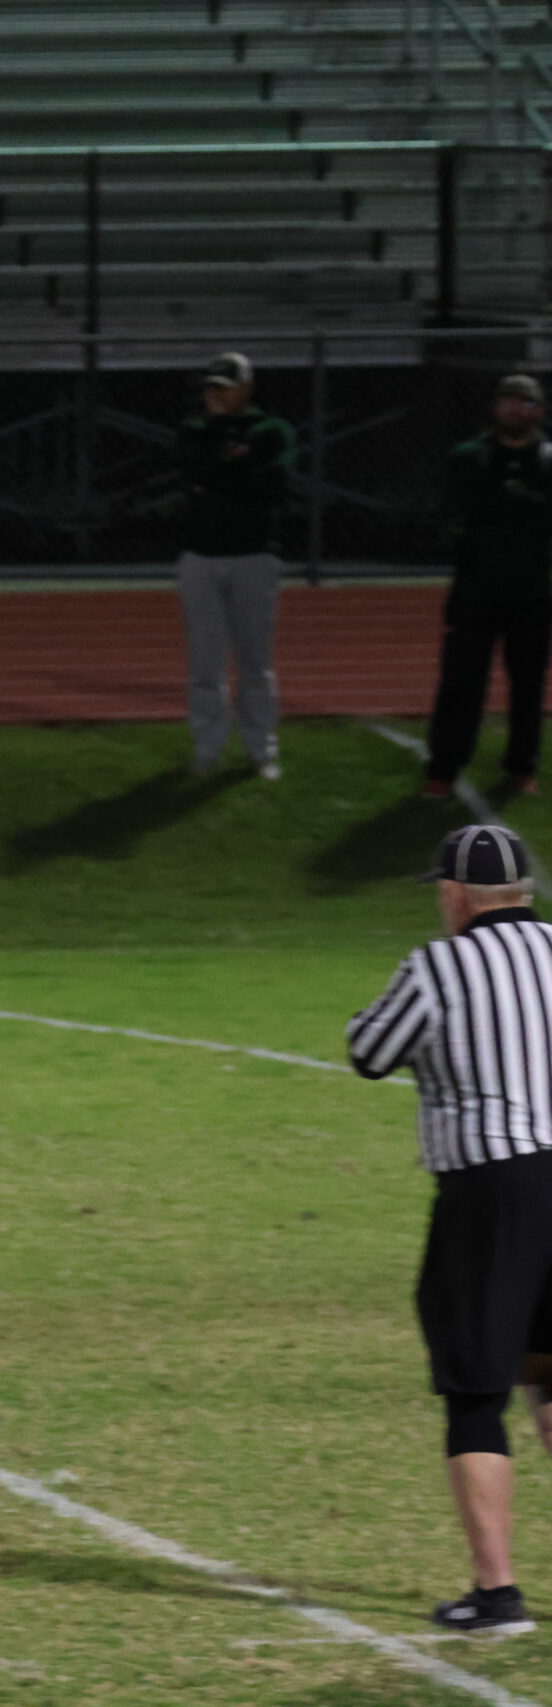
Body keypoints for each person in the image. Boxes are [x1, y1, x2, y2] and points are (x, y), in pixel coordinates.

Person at [346, 823, 552, 1636]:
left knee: (475, 1388)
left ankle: (496, 1593)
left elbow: (369, 1049)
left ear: (457, 894)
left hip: (494, 1188)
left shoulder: (441, 964)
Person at [423, 376, 552, 801]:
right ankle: (443, 768)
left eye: (526, 403)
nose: (517, 410)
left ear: (539, 410)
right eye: (509, 401)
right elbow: (458, 512)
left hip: (532, 591)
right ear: (495, 407)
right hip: (475, 588)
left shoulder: (547, 459)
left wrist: (509, 507)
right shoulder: (469, 456)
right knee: (461, 682)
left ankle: (522, 766)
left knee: (529, 683)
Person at [174, 352, 296, 782]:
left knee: (254, 660)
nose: (215, 395)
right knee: (205, 661)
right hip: (202, 554)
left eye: (224, 388)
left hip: (253, 554)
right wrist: (237, 464)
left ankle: (261, 749)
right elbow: (196, 467)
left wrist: (223, 473)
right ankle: (207, 749)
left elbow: (273, 483)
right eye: (211, 388)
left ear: (245, 389)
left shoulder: (272, 430)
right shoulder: (195, 429)